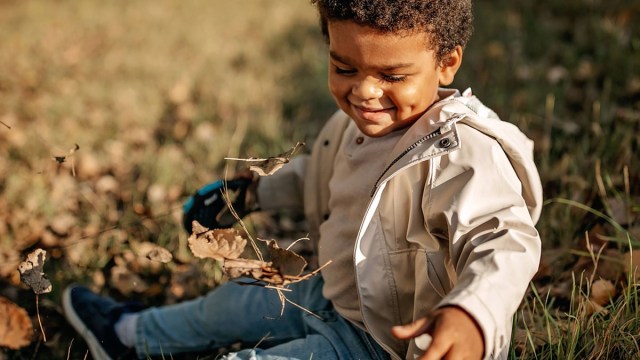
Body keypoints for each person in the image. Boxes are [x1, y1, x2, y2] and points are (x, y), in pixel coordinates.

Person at [62, 0, 543, 359]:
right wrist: (252, 193)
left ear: (446, 62)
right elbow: (320, 174)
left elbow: (503, 240)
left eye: (393, 75)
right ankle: (131, 337)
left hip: (392, 344)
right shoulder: (352, 125)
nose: (365, 91)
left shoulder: (462, 154)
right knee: (230, 306)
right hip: (331, 292)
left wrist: (472, 314)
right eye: (344, 67)